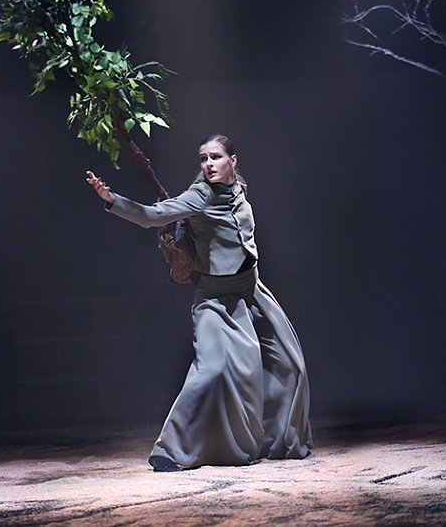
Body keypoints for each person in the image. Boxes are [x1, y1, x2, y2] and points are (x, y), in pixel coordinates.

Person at [86, 134, 312, 471]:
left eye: (216, 157)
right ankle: (170, 450)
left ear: (233, 161)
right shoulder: (199, 196)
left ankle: (279, 441)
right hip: (216, 300)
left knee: (291, 366)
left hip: (252, 293)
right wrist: (111, 199)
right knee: (212, 370)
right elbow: (153, 215)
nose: (209, 164)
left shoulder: (238, 190)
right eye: (203, 159)